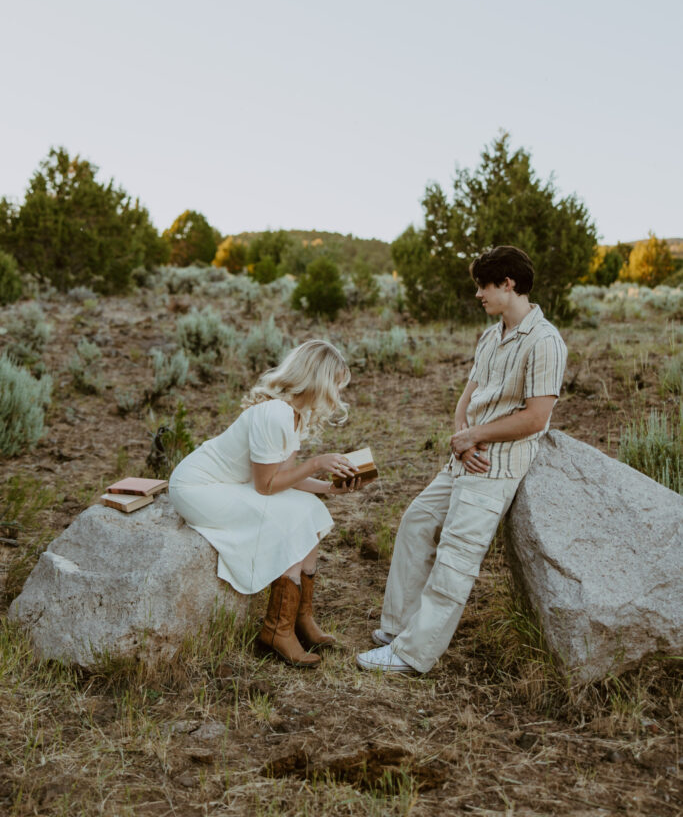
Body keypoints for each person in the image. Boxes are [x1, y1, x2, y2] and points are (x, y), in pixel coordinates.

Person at [356, 245, 567, 675]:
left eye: (483, 286)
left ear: (508, 284)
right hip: (466, 455)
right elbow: (467, 399)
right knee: (416, 521)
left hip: (496, 466)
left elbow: (536, 416)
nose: (478, 295)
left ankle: (412, 656)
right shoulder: (491, 336)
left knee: (456, 556)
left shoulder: (546, 341)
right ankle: (398, 628)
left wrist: (476, 437)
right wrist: (463, 438)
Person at [169, 339, 361, 669]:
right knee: (287, 519)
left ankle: (301, 619)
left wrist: (329, 489)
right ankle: (277, 630)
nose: (337, 396)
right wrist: (317, 463)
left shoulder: (294, 415)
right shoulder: (275, 414)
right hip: (198, 488)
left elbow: (286, 475)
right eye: (336, 385)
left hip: (231, 484)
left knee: (310, 509)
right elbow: (267, 486)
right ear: (318, 380)